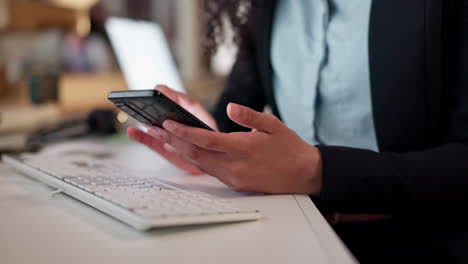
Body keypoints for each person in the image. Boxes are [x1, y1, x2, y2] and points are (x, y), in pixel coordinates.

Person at [128, 0, 468, 262]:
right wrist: (205, 146)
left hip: (422, 244)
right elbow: (233, 116)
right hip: (287, 234)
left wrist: (318, 171)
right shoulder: (269, 6)